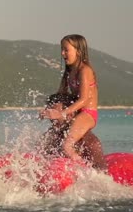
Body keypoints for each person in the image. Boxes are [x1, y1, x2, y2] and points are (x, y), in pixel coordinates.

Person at [39, 34, 100, 163]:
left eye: (66, 50)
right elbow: (60, 95)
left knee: (67, 146)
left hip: (87, 114)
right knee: (45, 140)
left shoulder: (85, 70)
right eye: (61, 49)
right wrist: (48, 111)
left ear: (78, 51)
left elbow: (83, 99)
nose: (62, 53)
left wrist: (62, 113)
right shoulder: (69, 71)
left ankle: (82, 168)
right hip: (76, 111)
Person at [39, 93, 106, 170]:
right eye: (50, 115)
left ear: (70, 114)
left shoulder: (89, 141)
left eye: (55, 115)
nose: (51, 119)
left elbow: (102, 171)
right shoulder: (52, 135)